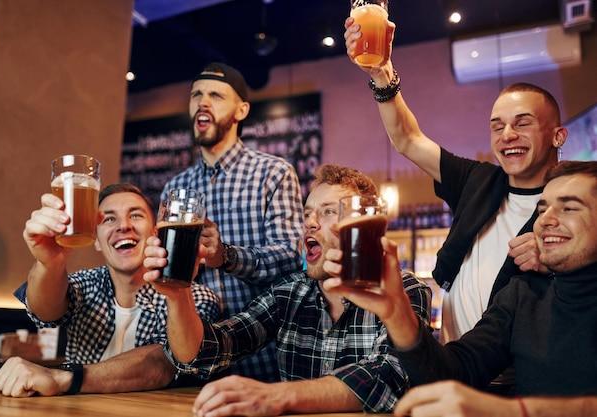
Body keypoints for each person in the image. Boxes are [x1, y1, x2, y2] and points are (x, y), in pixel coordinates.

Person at [344, 20, 568, 390]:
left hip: (523, 382)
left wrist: (558, 262)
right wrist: (381, 73)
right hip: (451, 366)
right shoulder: (477, 181)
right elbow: (407, 139)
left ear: (557, 135)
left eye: (522, 123)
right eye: (497, 126)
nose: (507, 135)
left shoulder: (571, 206)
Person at [144, 164, 432, 416]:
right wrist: (177, 293)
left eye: (328, 211)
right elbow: (206, 352)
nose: (310, 222)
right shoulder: (290, 293)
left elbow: (391, 375)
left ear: (360, 223)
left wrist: (277, 395)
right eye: (307, 214)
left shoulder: (404, 289)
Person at [323, 160, 597, 417]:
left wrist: (513, 411)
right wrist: (397, 312)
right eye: (541, 209)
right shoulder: (522, 295)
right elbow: (455, 371)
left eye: (569, 207)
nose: (545, 220)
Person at [0, 183, 220, 397]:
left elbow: (167, 362)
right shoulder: (86, 284)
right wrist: (49, 263)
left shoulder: (196, 297)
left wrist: (62, 378)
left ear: (155, 233)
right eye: (108, 219)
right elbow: (45, 311)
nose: (124, 226)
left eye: (136, 215)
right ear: (96, 239)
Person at [160, 62, 304, 382]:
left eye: (215, 95)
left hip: (266, 358)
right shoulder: (175, 189)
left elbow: (291, 258)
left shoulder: (273, 173)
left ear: (242, 110)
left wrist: (225, 256)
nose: (202, 102)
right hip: (199, 361)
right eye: (196, 94)